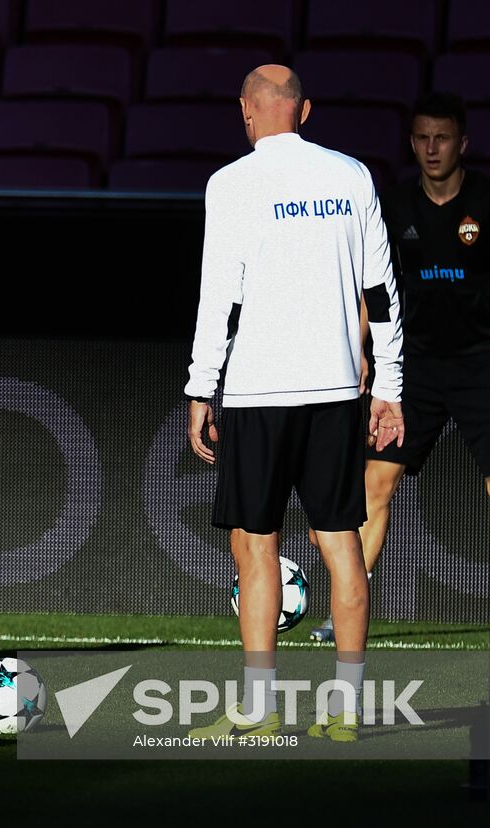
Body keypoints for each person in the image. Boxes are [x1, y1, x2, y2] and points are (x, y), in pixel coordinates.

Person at [183, 66, 405, 743]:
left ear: (247, 112)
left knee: (254, 549)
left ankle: (258, 708)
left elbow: (218, 294)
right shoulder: (352, 174)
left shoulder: (231, 183)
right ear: (303, 109)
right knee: (343, 547)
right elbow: (384, 290)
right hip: (338, 391)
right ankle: (346, 709)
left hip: (258, 392)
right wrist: (391, 384)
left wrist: (200, 386)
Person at [309, 92, 490, 642]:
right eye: (423, 138)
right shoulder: (395, 206)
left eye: (443, 138)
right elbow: (376, 289)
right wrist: (360, 349)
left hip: (485, 365)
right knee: (376, 483)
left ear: (462, 143)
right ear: (412, 144)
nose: (432, 148)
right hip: (416, 369)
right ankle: (344, 610)